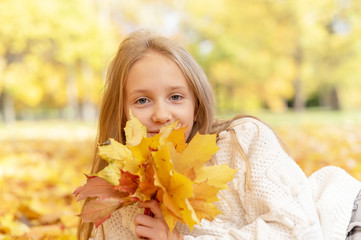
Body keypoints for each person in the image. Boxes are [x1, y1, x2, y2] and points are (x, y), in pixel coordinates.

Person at [77, 30, 361, 240]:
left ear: (197, 107)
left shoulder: (242, 142)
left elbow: (300, 231)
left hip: (342, 224)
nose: (161, 114)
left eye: (176, 97)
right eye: (142, 101)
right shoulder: (119, 196)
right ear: (120, 113)